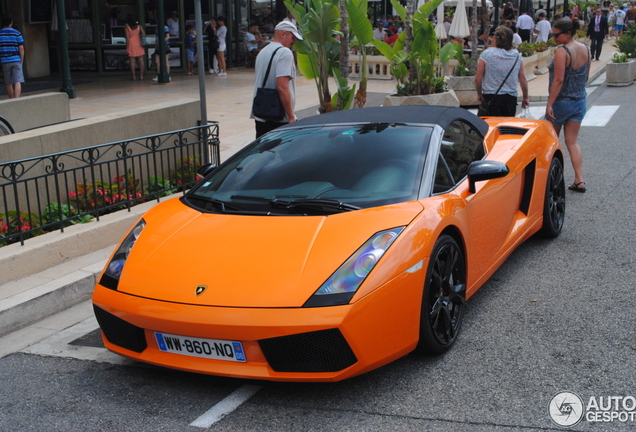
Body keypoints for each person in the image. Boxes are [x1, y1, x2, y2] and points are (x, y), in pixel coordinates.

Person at [546, 18, 590, 193]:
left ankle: (553, 179)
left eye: (556, 34)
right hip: (579, 100)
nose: (554, 37)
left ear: (567, 34)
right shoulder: (585, 48)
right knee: (572, 142)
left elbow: (559, 80)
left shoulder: (562, 51)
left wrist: (550, 103)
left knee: (551, 142)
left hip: (561, 101)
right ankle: (579, 180)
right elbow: (585, 76)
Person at [251, 20, 303, 138]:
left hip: (261, 115)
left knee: (264, 153)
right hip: (278, 117)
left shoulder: (263, 51)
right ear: (283, 34)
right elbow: (282, 86)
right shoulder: (284, 53)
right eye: (293, 38)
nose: (294, 42)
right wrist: (290, 116)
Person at [475, 26, 529, 117]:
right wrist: (525, 97)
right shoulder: (516, 55)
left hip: (490, 96)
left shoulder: (487, 54)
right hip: (510, 98)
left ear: (496, 38)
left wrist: (479, 94)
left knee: (491, 127)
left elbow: (478, 78)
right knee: (506, 127)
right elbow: (522, 78)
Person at [0, 15, 25, 99]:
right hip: (16, 59)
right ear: (11, 22)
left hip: (4, 61)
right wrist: (21, 60)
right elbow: (21, 48)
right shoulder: (17, 33)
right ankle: (16, 99)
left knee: (8, 82)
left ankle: (11, 99)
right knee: (17, 81)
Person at [125, 15, 145, 80]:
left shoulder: (127, 27)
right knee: (141, 60)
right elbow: (144, 34)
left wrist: (127, 47)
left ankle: (133, 76)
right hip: (138, 41)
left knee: (132, 60)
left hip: (131, 42)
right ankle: (141, 76)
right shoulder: (139, 26)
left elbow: (127, 38)